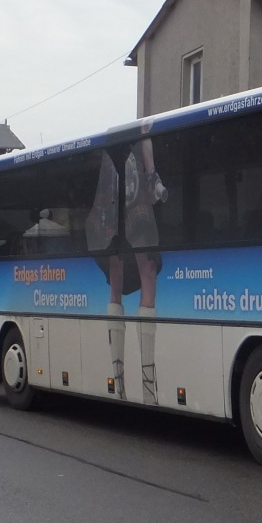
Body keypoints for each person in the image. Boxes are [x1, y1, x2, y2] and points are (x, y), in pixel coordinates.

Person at [86, 132, 167, 405]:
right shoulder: (107, 153)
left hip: (134, 180)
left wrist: (152, 174)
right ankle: (119, 385)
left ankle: (147, 390)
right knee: (117, 273)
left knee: (148, 270)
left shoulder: (140, 134)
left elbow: (146, 132)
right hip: (113, 184)